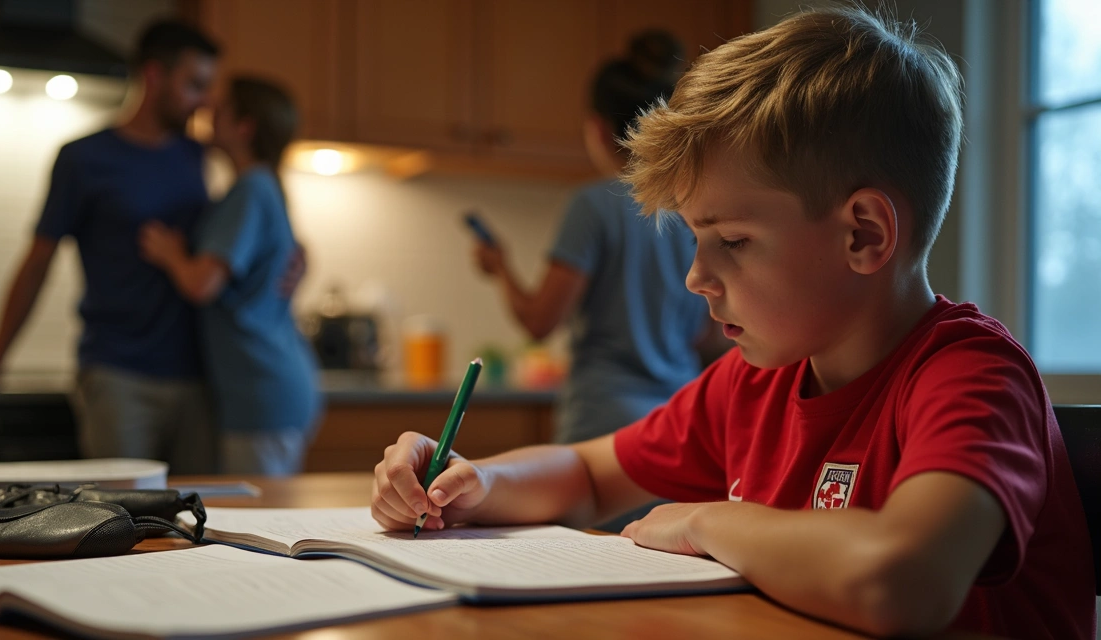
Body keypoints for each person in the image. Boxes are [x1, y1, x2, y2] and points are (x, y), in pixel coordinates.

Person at [370, 6, 1094, 639]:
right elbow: (589, 474)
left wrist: (705, 520)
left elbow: (900, 580)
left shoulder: (972, 377)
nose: (695, 277)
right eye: (693, 239)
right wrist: (468, 483)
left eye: (733, 242)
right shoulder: (750, 384)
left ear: (865, 235)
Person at [0, 21, 221, 474]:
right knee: (125, 521)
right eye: (194, 84)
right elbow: (38, 262)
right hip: (118, 376)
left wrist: (295, 259)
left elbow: (242, 231)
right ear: (154, 75)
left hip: (198, 377)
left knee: (206, 523)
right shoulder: (84, 159)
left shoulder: (198, 156)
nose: (203, 100)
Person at [472, 30, 725, 445]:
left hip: (603, 424)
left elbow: (539, 322)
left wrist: (500, 267)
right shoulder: (692, 203)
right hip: (681, 421)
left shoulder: (593, 205)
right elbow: (709, 335)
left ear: (599, 128)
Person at [138, 77, 320, 475]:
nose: (208, 115)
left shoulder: (252, 188)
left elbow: (202, 283)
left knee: (262, 527)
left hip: (262, 391)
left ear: (245, 127)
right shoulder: (262, 187)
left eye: (220, 111)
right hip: (270, 386)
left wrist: (171, 255)